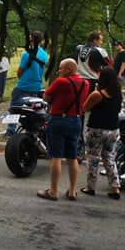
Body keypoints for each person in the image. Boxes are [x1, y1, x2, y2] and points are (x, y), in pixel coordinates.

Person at [37, 58, 89, 201]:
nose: (59, 71)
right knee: (72, 157)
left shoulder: (61, 82)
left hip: (59, 120)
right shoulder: (85, 83)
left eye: (61, 68)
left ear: (69, 69)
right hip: (76, 121)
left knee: (56, 156)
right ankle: (72, 191)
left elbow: (46, 97)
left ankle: (53, 191)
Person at [81, 66, 123, 199]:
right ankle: (115, 187)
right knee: (109, 158)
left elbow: (85, 108)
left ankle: (90, 187)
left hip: (96, 129)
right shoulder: (118, 94)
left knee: (93, 158)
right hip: (113, 129)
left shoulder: (97, 94)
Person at [4, 30, 48, 137]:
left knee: (14, 107)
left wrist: (21, 78)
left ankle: (11, 129)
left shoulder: (27, 53)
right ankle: (31, 130)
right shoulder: (44, 54)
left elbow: (20, 71)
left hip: (24, 85)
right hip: (37, 86)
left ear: (31, 39)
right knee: (32, 109)